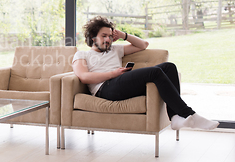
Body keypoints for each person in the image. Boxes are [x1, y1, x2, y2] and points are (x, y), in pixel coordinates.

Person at [72, 16, 219, 131]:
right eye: (104, 36)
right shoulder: (82, 55)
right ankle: (190, 114)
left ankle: (174, 117)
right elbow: (84, 77)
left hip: (120, 83)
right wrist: (113, 73)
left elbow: (143, 45)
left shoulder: (115, 49)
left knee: (169, 67)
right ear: (93, 37)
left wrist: (123, 35)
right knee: (154, 71)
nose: (108, 40)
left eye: (110, 36)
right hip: (104, 89)